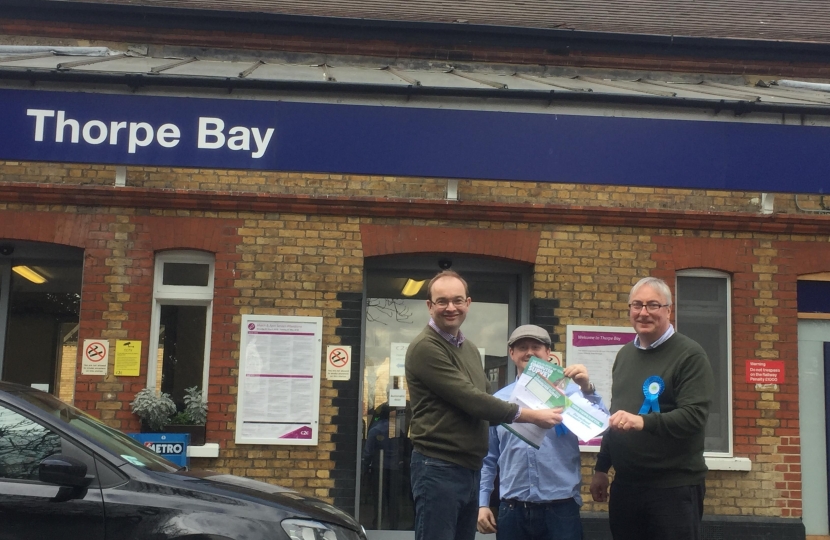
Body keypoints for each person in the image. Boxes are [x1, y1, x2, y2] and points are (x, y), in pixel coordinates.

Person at [405, 270, 563, 540]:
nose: (451, 307)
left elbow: (490, 401)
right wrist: (531, 416)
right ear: (430, 306)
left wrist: (556, 390)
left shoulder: (468, 348)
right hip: (438, 466)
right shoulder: (425, 347)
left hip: (468, 468)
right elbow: (472, 400)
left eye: (457, 300)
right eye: (442, 301)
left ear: (468, 303)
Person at [589, 277, 715, 540]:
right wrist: (602, 468)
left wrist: (642, 422)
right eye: (637, 305)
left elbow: (695, 416)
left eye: (653, 305)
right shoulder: (624, 355)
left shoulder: (690, 355)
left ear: (668, 310)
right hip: (626, 487)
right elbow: (616, 416)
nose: (643, 312)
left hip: (673, 490)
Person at [478, 324, 607, 540]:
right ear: (512, 353)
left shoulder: (571, 394)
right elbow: (488, 459)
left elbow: (601, 427)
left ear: (548, 353)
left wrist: (587, 388)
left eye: (536, 347)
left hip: (560, 511)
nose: (529, 352)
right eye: (522, 347)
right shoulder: (499, 401)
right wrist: (482, 503)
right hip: (513, 510)